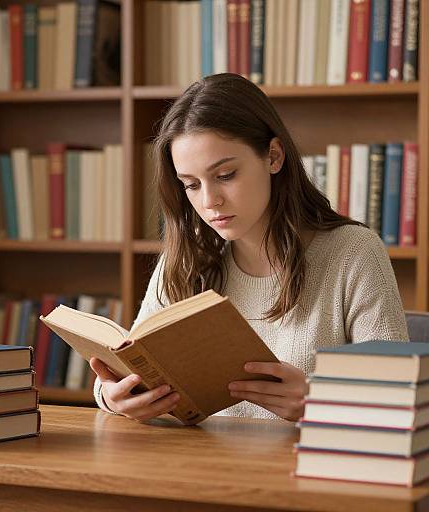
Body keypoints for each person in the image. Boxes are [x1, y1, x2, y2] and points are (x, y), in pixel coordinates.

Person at [90, 73, 409, 423]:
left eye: (225, 175)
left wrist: (320, 399)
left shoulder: (352, 253)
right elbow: (135, 360)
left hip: (304, 471)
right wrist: (112, 395)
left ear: (273, 157)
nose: (209, 200)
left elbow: (397, 395)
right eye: (191, 185)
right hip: (198, 469)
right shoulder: (184, 260)